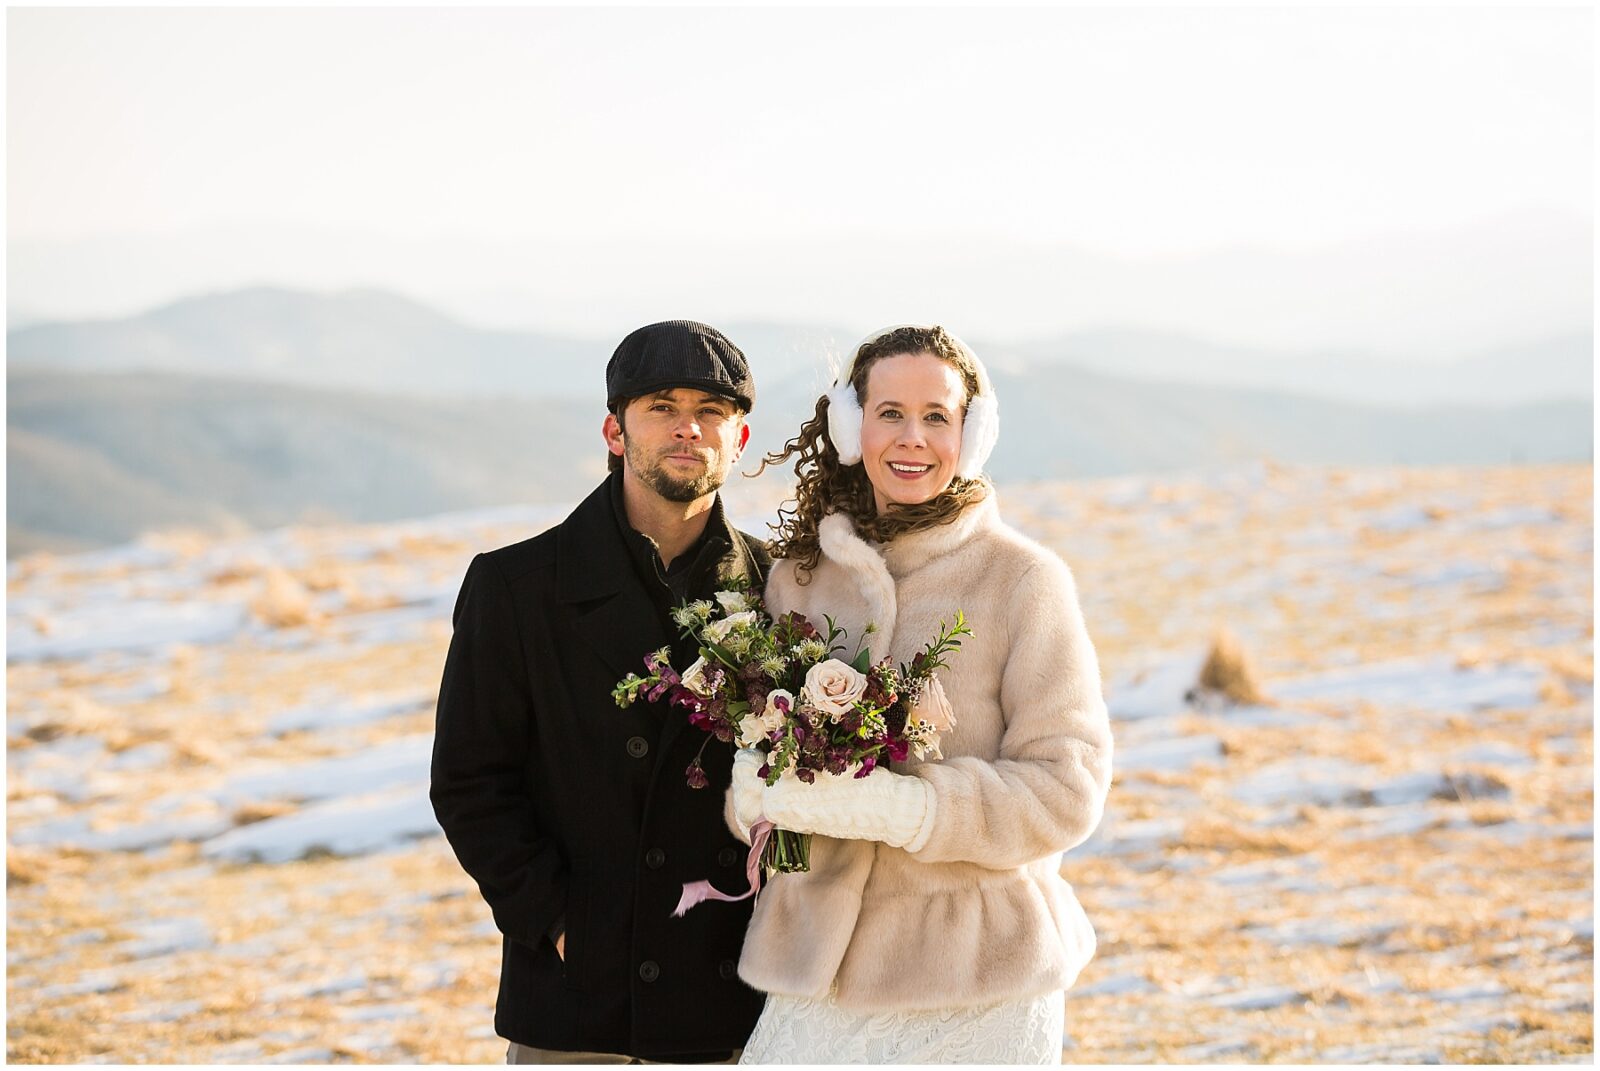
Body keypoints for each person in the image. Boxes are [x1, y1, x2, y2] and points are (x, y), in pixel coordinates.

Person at [727, 324, 1113, 1064]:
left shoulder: (1023, 580)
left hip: (978, 978)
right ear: (851, 425)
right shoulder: (799, 579)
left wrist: (915, 808)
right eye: (890, 413)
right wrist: (758, 799)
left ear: (970, 435)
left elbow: (1070, 787)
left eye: (936, 415)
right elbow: (763, 759)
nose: (912, 437)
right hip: (819, 970)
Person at [431, 320, 770, 1064]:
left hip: (736, 1003)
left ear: (739, 440)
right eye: (662, 405)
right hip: (578, 1003)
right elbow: (468, 782)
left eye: (712, 410)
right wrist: (559, 922)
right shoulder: (516, 587)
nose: (689, 427)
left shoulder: (783, 590)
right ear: (615, 431)